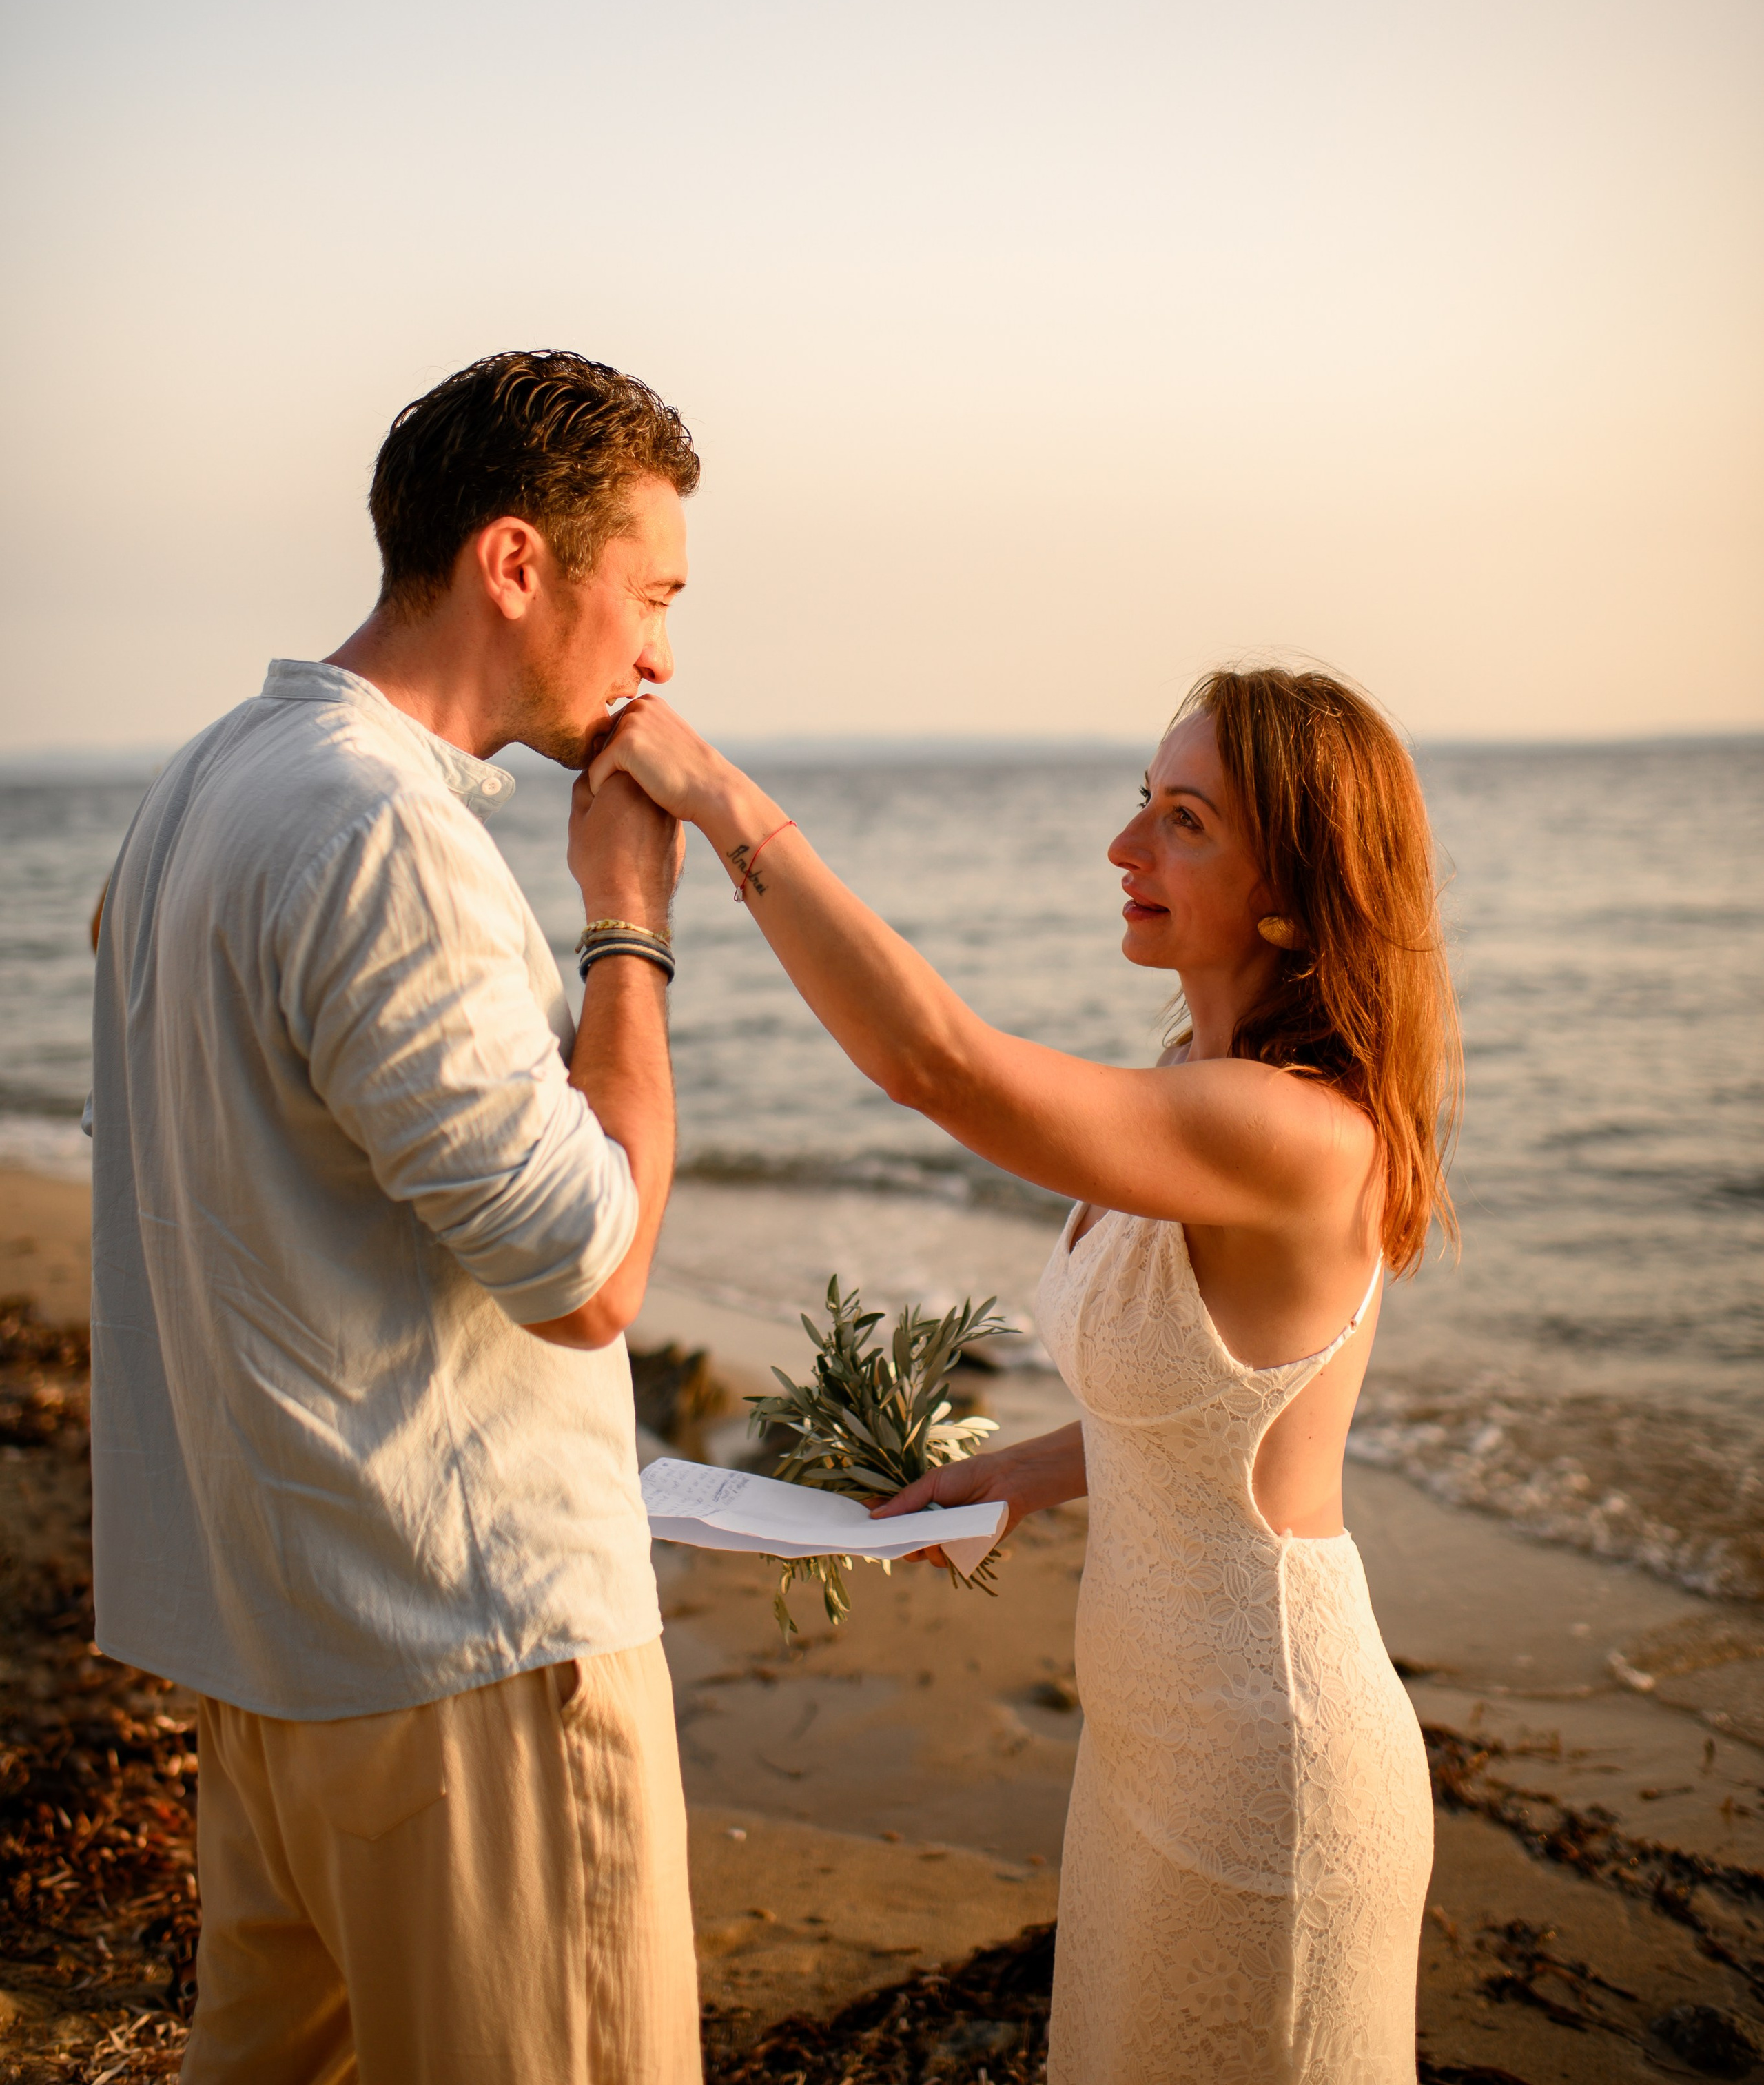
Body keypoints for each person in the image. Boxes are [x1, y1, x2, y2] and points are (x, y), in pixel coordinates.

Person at [588, 667, 1457, 2085]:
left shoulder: (1287, 1128)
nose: (1124, 851)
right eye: (1141, 804)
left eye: (1183, 822)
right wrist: (1027, 1470)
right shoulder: (1199, 1068)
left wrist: (720, 805)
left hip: (1268, 1760)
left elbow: (935, 1064)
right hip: (1146, 1741)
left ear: (1296, 889)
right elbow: (1223, 1393)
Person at [88, 351, 705, 2085]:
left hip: (278, 1642)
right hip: (466, 1646)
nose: (661, 654)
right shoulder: (380, 830)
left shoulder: (204, 787)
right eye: (649, 592)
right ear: (516, 564)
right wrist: (625, 926)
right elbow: (589, 1272)